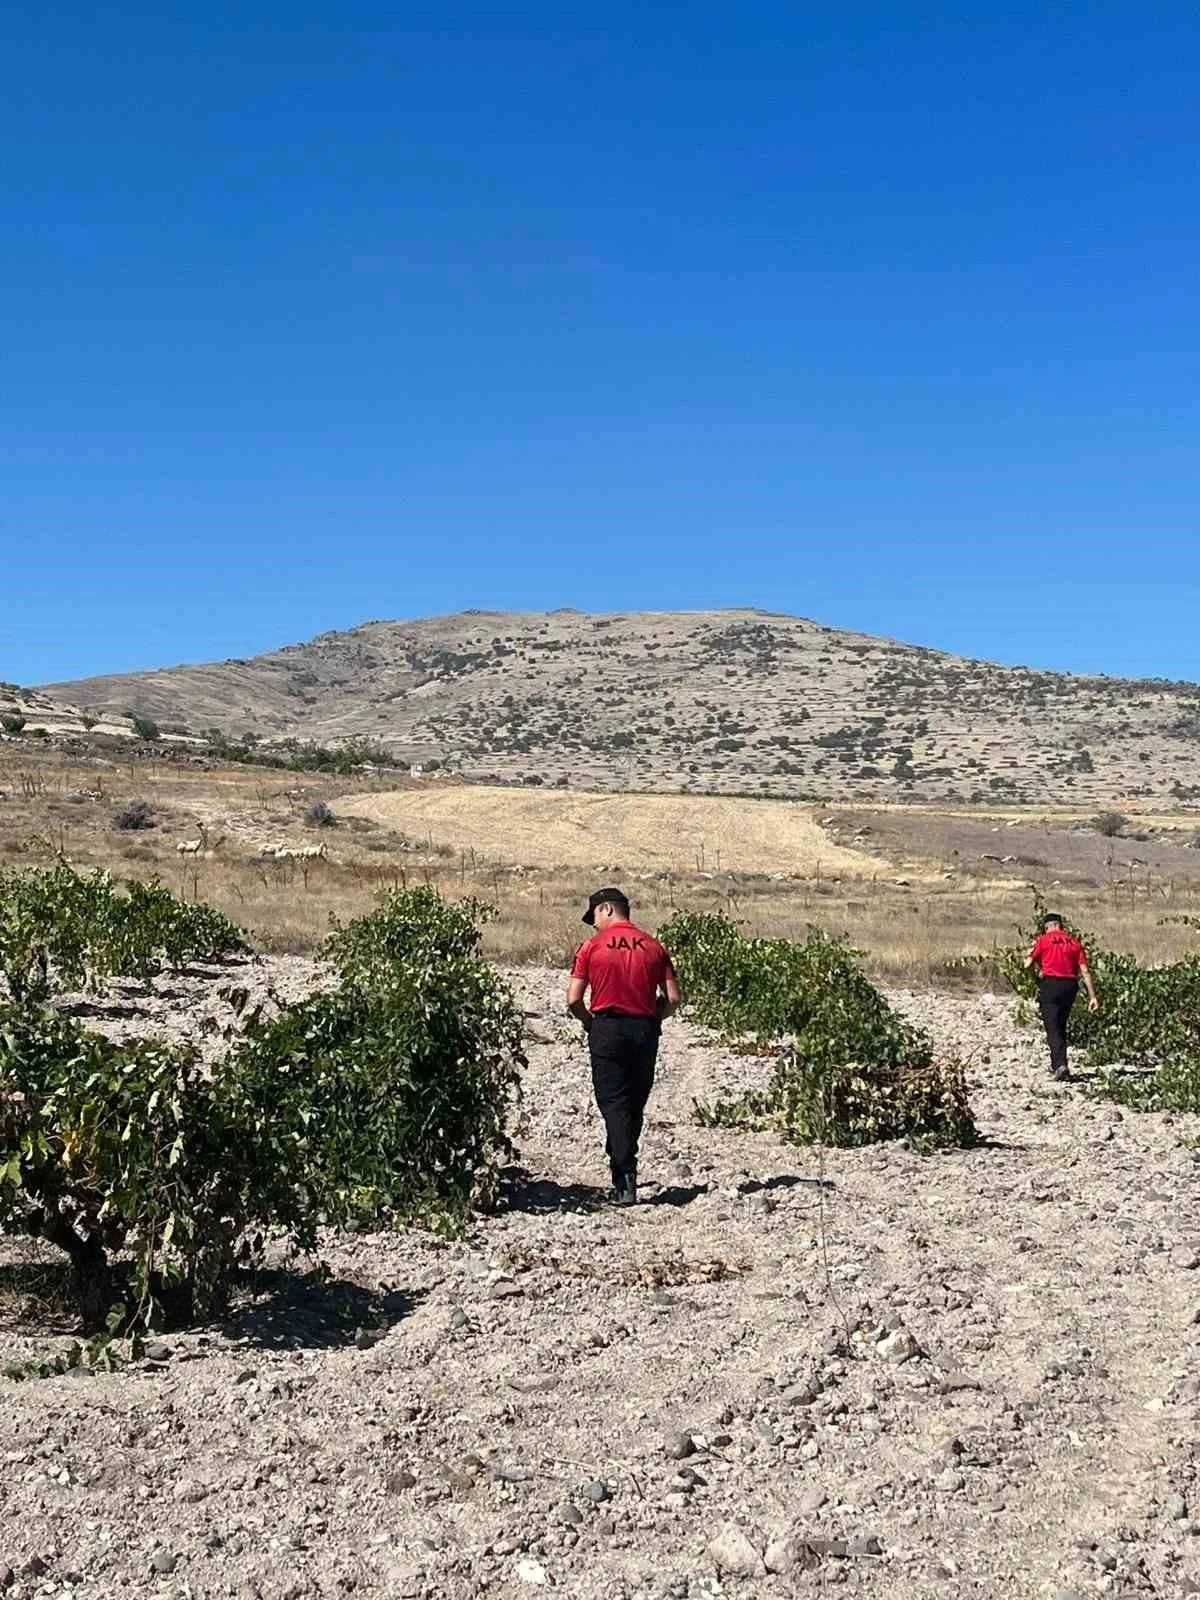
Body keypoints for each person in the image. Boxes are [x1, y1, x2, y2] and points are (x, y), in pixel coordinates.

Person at [566, 887, 681, 1206]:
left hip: (608, 1027)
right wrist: (656, 1016)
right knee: (634, 1101)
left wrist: (589, 1022)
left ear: (606, 910)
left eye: (594, 917)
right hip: (644, 1029)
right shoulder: (655, 946)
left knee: (613, 1103)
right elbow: (673, 998)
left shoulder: (591, 947)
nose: (593, 924)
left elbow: (573, 999)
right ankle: (623, 1158)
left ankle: (624, 1175)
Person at [1024, 912, 1100, 1081]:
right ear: (1061, 925)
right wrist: (1092, 997)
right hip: (1070, 986)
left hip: (1051, 984)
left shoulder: (1042, 941)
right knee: (1061, 1024)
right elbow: (1085, 971)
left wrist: (1035, 976)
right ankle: (1060, 1062)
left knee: (1052, 1026)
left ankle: (1059, 1064)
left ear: (1047, 927)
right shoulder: (1074, 943)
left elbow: (1027, 964)